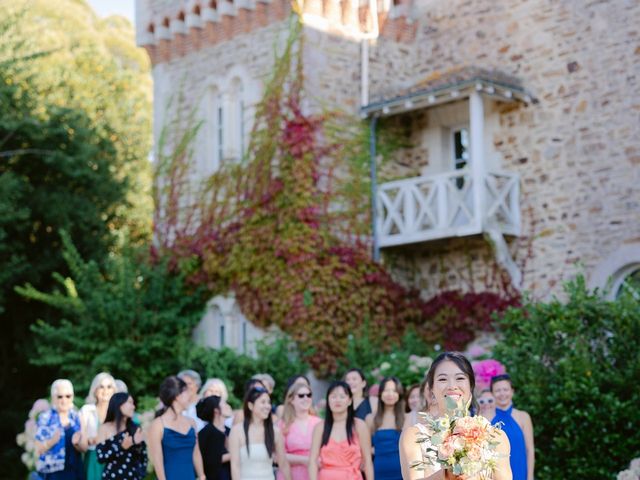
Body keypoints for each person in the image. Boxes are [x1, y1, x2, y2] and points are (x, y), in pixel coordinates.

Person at [399, 352, 511, 480]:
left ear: (471, 386)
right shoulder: (414, 436)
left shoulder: (495, 436)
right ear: (432, 389)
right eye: (442, 379)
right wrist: (447, 474)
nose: (452, 386)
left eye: (460, 378)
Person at [308, 380, 374, 480]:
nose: (337, 400)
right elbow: (312, 460)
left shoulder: (359, 426)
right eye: (333, 397)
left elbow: (368, 461)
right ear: (328, 401)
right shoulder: (320, 427)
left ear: (350, 401)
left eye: (342, 396)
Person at [147, 376, 206, 480]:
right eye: (187, 392)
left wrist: (202, 476)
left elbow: (196, 453)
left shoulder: (191, 422)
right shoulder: (158, 425)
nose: (190, 396)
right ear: (177, 396)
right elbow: (157, 461)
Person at [229, 386, 291, 480]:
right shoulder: (237, 431)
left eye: (269, 402)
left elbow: (283, 463)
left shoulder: (275, 432)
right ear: (250, 405)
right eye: (263, 402)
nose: (267, 406)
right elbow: (235, 466)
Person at [35, 379, 85, 480]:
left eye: (68, 396)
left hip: (75, 471)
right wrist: (51, 442)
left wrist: (77, 443)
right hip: (53, 473)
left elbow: (83, 448)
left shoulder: (77, 417)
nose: (64, 400)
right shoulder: (46, 418)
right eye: (60, 396)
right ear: (53, 398)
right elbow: (38, 449)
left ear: (72, 397)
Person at [491, 374, 534, 480]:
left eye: (505, 389)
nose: (502, 394)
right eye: (497, 390)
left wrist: (530, 477)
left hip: (520, 472)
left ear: (512, 391)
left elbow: (530, 450)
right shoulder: (485, 417)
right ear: (492, 393)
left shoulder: (523, 416)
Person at [96, 392, 147, 479]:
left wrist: (138, 444)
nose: (133, 407)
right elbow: (101, 458)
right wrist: (121, 447)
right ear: (119, 404)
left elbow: (143, 459)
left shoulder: (135, 428)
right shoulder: (104, 428)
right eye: (130, 403)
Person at [277, 382, 321, 480]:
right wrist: (305, 460)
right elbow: (279, 455)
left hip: (315, 474)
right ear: (291, 400)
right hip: (290, 475)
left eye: (309, 395)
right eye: (301, 396)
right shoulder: (283, 424)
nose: (306, 398)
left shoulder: (319, 423)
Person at [80, 372, 116, 480]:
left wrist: (96, 439)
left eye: (109, 387)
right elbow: (83, 441)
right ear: (95, 390)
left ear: (114, 390)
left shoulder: (118, 412)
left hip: (113, 459)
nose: (105, 391)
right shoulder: (87, 410)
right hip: (93, 459)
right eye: (101, 387)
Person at [367, 377, 404, 480]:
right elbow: (364, 448)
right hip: (378, 471)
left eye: (394, 391)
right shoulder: (371, 418)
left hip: (401, 471)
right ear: (380, 394)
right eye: (386, 390)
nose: (390, 394)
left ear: (399, 394)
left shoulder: (406, 418)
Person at [196, 395, 231, 480]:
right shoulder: (206, 433)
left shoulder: (229, 430)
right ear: (216, 410)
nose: (228, 406)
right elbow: (210, 460)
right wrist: (235, 454)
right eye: (224, 404)